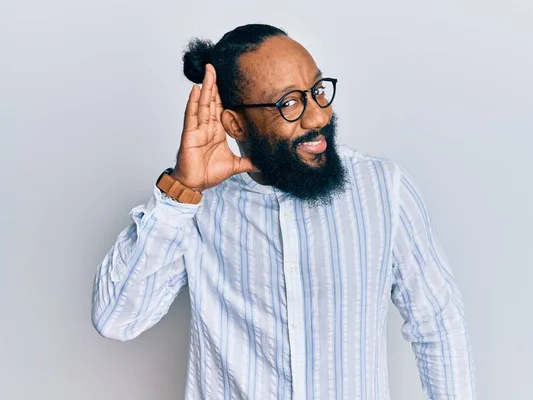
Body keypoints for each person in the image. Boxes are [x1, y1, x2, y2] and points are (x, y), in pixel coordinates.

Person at [91, 23, 476, 400]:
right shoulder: (195, 207)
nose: (319, 117)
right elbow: (118, 320)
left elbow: (438, 326)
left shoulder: (383, 188)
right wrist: (182, 190)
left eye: (318, 91)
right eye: (289, 103)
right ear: (235, 124)